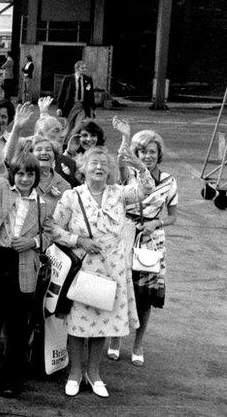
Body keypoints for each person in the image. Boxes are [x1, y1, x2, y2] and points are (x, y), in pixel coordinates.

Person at [51, 146, 154, 398]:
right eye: (94, 163)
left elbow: (146, 190)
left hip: (112, 270)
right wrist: (78, 240)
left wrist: (140, 167)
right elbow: (52, 228)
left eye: (104, 165)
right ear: (83, 168)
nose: (99, 168)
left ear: (109, 171)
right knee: (77, 324)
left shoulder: (118, 194)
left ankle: (94, 373)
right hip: (82, 268)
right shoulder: (72, 196)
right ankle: (75, 373)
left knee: (101, 324)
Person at [0, 148, 54, 398]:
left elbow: (49, 234)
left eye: (30, 174)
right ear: (13, 175)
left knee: (18, 325)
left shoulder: (43, 204)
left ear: (36, 177)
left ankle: (11, 378)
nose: (25, 179)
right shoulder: (3, 189)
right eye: (20, 174)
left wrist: (33, 243)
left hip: (24, 262)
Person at [106, 126, 177, 366]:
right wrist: (125, 137)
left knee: (145, 296)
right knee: (121, 290)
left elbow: (173, 216)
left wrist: (157, 222)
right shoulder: (130, 175)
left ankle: (138, 343)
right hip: (125, 234)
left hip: (151, 241)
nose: (147, 156)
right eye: (143, 151)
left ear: (159, 154)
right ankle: (115, 339)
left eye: (152, 152)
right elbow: (120, 159)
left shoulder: (169, 181)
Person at [56, 60, 95, 133]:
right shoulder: (67, 79)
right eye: (82, 68)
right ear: (77, 69)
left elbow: (91, 95)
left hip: (83, 106)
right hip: (71, 106)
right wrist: (59, 108)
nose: (85, 70)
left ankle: (74, 140)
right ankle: (66, 142)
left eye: (85, 68)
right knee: (68, 127)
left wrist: (92, 109)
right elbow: (62, 94)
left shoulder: (88, 79)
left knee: (79, 126)